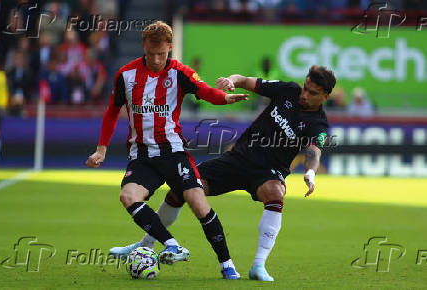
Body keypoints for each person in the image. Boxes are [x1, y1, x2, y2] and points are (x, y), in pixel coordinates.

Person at [110, 65, 336, 281]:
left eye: (312, 92)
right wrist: (232, 81)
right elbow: (245, 80)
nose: (304, 94)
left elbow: (314, 152)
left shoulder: (319, 124)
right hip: (237, 159)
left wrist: (310, 173)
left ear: (325, 96)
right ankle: (145, 244)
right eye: (305, 87)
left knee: (276, 192)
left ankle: (259, 265)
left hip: (268, 171)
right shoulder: (289, 90)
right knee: (183, 188)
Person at [85, 21, 248, 279]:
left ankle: (226, 263)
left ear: (169, 48)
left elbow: (204, 91)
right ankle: (171, 244)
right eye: (151, 54)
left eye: (162, 54)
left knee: (198, 203)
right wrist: (101, 149)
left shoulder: (179, 72)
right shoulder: (126, 75)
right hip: (141, 155)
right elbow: (112, 111)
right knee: (128, 196)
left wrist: (224, 97)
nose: (157, 59)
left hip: (173, 152)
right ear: (144, 47)